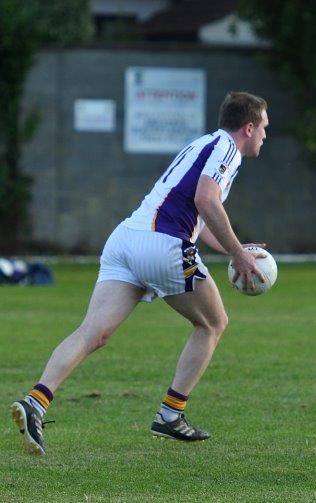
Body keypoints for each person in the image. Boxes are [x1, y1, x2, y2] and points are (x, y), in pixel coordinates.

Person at [11, 92, 272, 456]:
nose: (264, 135)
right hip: (163, 246)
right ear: (248, 127)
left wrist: (237, 248)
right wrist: (238, 255)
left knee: (92, 333)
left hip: (126, 240)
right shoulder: (228, 148)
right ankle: (171, 414)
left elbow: (201, 215)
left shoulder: (202, 143)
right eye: (263, 127)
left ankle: (35, 402)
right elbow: (206, 200)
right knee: (213, 323)